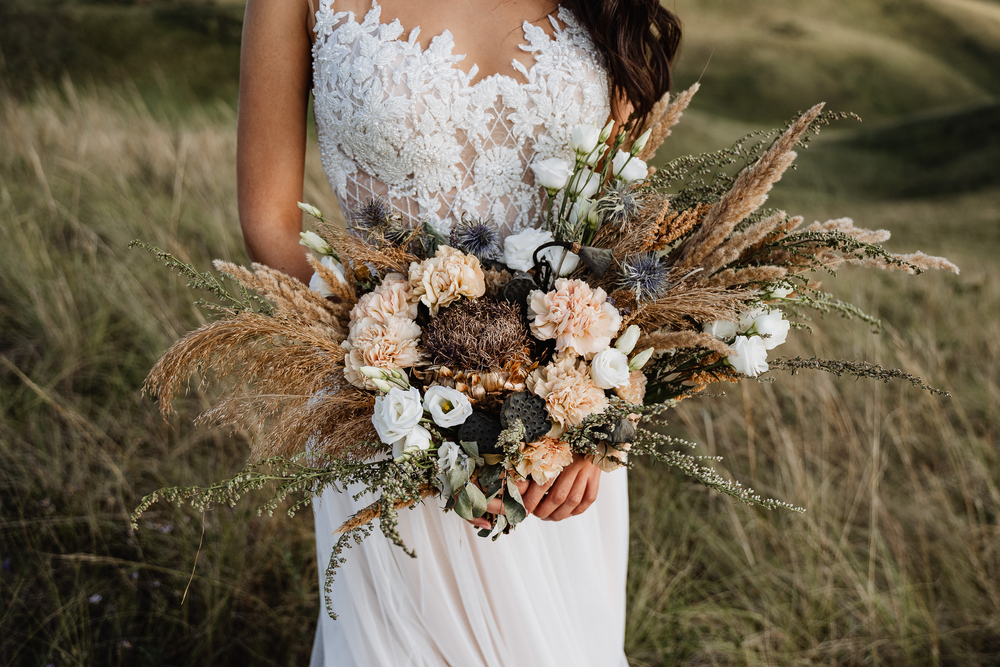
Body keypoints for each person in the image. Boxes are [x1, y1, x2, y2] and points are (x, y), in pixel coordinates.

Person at [237, 1, 681, 664]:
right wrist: (384, 368)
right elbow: (269, 219)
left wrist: (610, 417)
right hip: (386, 422)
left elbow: (620, 227)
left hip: (561, 442)